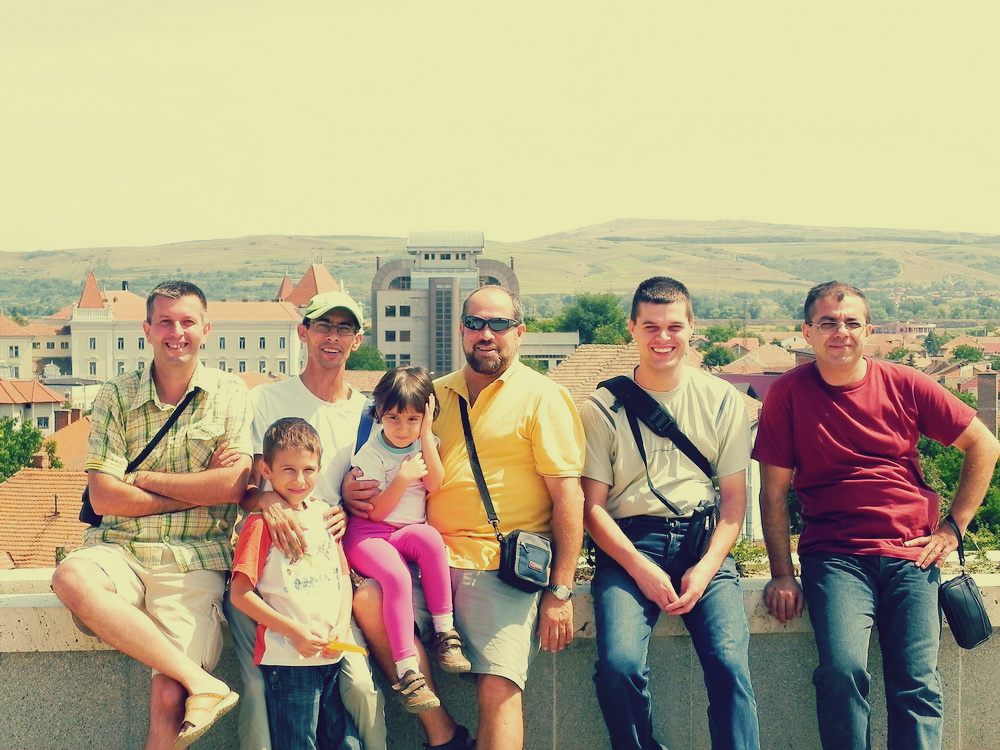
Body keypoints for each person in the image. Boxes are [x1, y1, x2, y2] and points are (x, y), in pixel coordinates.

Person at [754, 280, 1000, 750]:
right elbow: (773, 491)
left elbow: (984, 444)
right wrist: (782, 573)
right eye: (828, 322)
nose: (840, 332)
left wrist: (954, 527)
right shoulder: (787, 393)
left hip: (912, 554)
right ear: (807, 332)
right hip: (836, 556)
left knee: (917, 682)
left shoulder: (905, 383)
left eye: (851, 322)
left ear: (869, 331)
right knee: (841, 671)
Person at [347, 284, 585, 750]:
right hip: (425, 555)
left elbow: (568, 497)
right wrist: (352, 492)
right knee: (369, 601)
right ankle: (444, 736)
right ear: (461, 329)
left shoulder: (544, 397)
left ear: (520, 331)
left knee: (498, 687)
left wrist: (560, 590)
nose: (486, 334)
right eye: (475, 323)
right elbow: (381, 450)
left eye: (499, 324)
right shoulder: (430, 397)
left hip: (497, 565)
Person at [51, 280, 253, 750]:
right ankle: (206, 684)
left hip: (194, 557)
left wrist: (143, 479)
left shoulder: (230, 392)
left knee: (169, 693)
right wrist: (196, 490)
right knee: (70, 578)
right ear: (147, 329)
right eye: (165, 322)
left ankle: (195, 684)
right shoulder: (116, 394)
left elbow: (232, 486)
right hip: (119, 548)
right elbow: (105, 498)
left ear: (205, 329)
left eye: (187, 322)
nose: (176, 332)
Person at [580, 276, 760, 750]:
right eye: (651, 327)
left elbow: (734, 502)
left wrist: (704, 570)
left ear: (691, 329)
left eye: (674, 327)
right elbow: (591, 509)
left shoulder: (722, 400)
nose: (663, 337)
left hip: (704, 546)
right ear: (632, 329)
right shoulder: (602, 407)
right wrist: (641, 569)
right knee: (618, 666)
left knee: (729, 664)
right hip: (629, 547)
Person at [225, 290, 387, 750]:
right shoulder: (265, 399)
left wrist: (349, 508)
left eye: (343, 328)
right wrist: (266, 500)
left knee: (359, 688)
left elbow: (376, 488)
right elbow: (239, 489)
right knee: (256, 690)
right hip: (268, 569)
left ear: (357, 340)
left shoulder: (368, 413)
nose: (333, 337)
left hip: (328, 572)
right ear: (304, 333)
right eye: (323, 326)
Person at [344, 366, 471, 713]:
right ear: (379, 414)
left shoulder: (425, 442)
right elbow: (375, 513)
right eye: (394, 418)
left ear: (427, 415)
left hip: (405, 531)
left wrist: (426, 436)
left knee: (430, 538)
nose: (402, 428)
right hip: (369, 534)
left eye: (413, 419)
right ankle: (407, 670)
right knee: (397, 577)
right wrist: (402, 478)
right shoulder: (371, 453)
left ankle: (445, 633)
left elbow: (435, 483)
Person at [231, 418, 360, 750]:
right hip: (288, 661)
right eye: (288, 469)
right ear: (266, 469)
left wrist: (341, 627)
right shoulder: (260, 524)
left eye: (309, 470)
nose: (300, 480)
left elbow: (342, 576)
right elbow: (240, 594)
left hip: (330, 654)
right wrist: (293, 631)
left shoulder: (324, 515)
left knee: (344, 742)